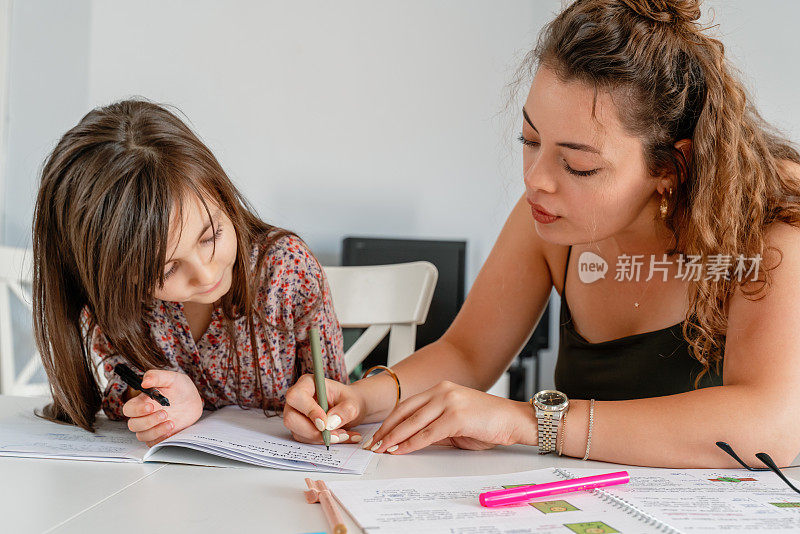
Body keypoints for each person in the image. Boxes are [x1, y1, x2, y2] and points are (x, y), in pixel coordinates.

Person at [283, 0, 800, 468]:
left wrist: (526, 421)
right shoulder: (555, 217)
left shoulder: (772, 227)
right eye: (529, 140)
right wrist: (361, 398)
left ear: (670, 166)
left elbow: (768, 426)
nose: (535, 179)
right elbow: (467, 353)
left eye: (577, 165)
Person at [32, 99, 353, 447]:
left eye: (211, 236)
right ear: (118, 277)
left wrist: (320, 412)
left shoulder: (286, 269)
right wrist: (153, 404)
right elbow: (122, 385)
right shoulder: (120, 299)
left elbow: (338, 396)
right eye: (167, 268)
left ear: (224, 198)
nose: (204, 274)